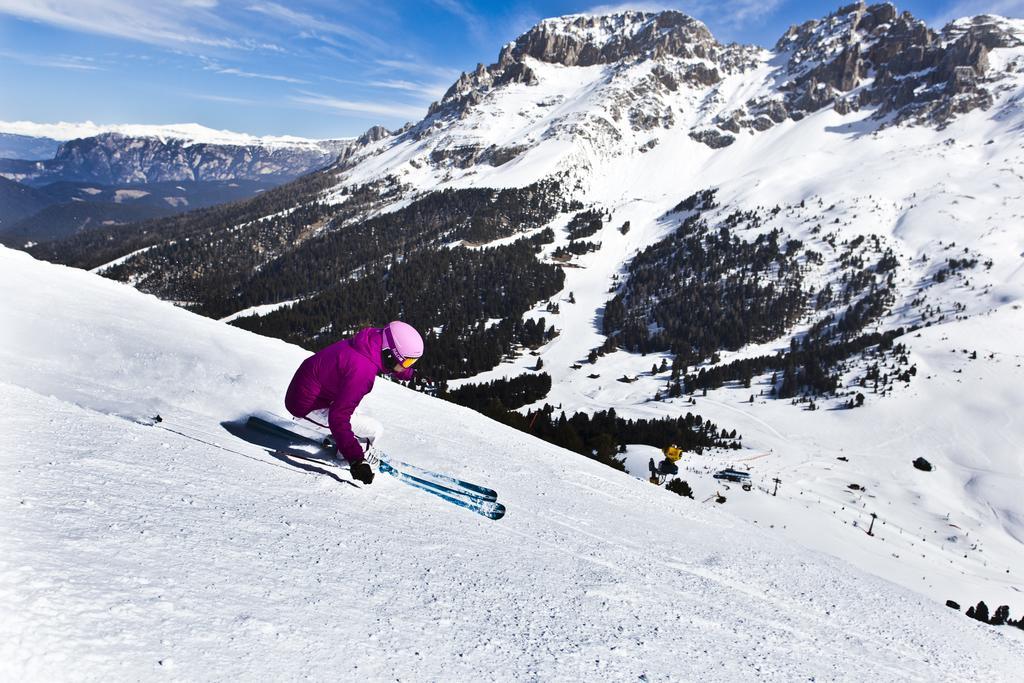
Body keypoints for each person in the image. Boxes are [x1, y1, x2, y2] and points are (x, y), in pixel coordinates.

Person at [284, 321, 423, 485]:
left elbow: (393, 362)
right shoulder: (362, 370)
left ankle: (347, 442)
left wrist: (410, 374)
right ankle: (352, 452)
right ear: (391, 354)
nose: (407, 366)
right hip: (305, 405)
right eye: (407, 362)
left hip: (316, 392)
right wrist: (356, 460)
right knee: (375, 429)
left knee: (358, 412)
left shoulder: (371, 342)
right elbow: (337, 417)